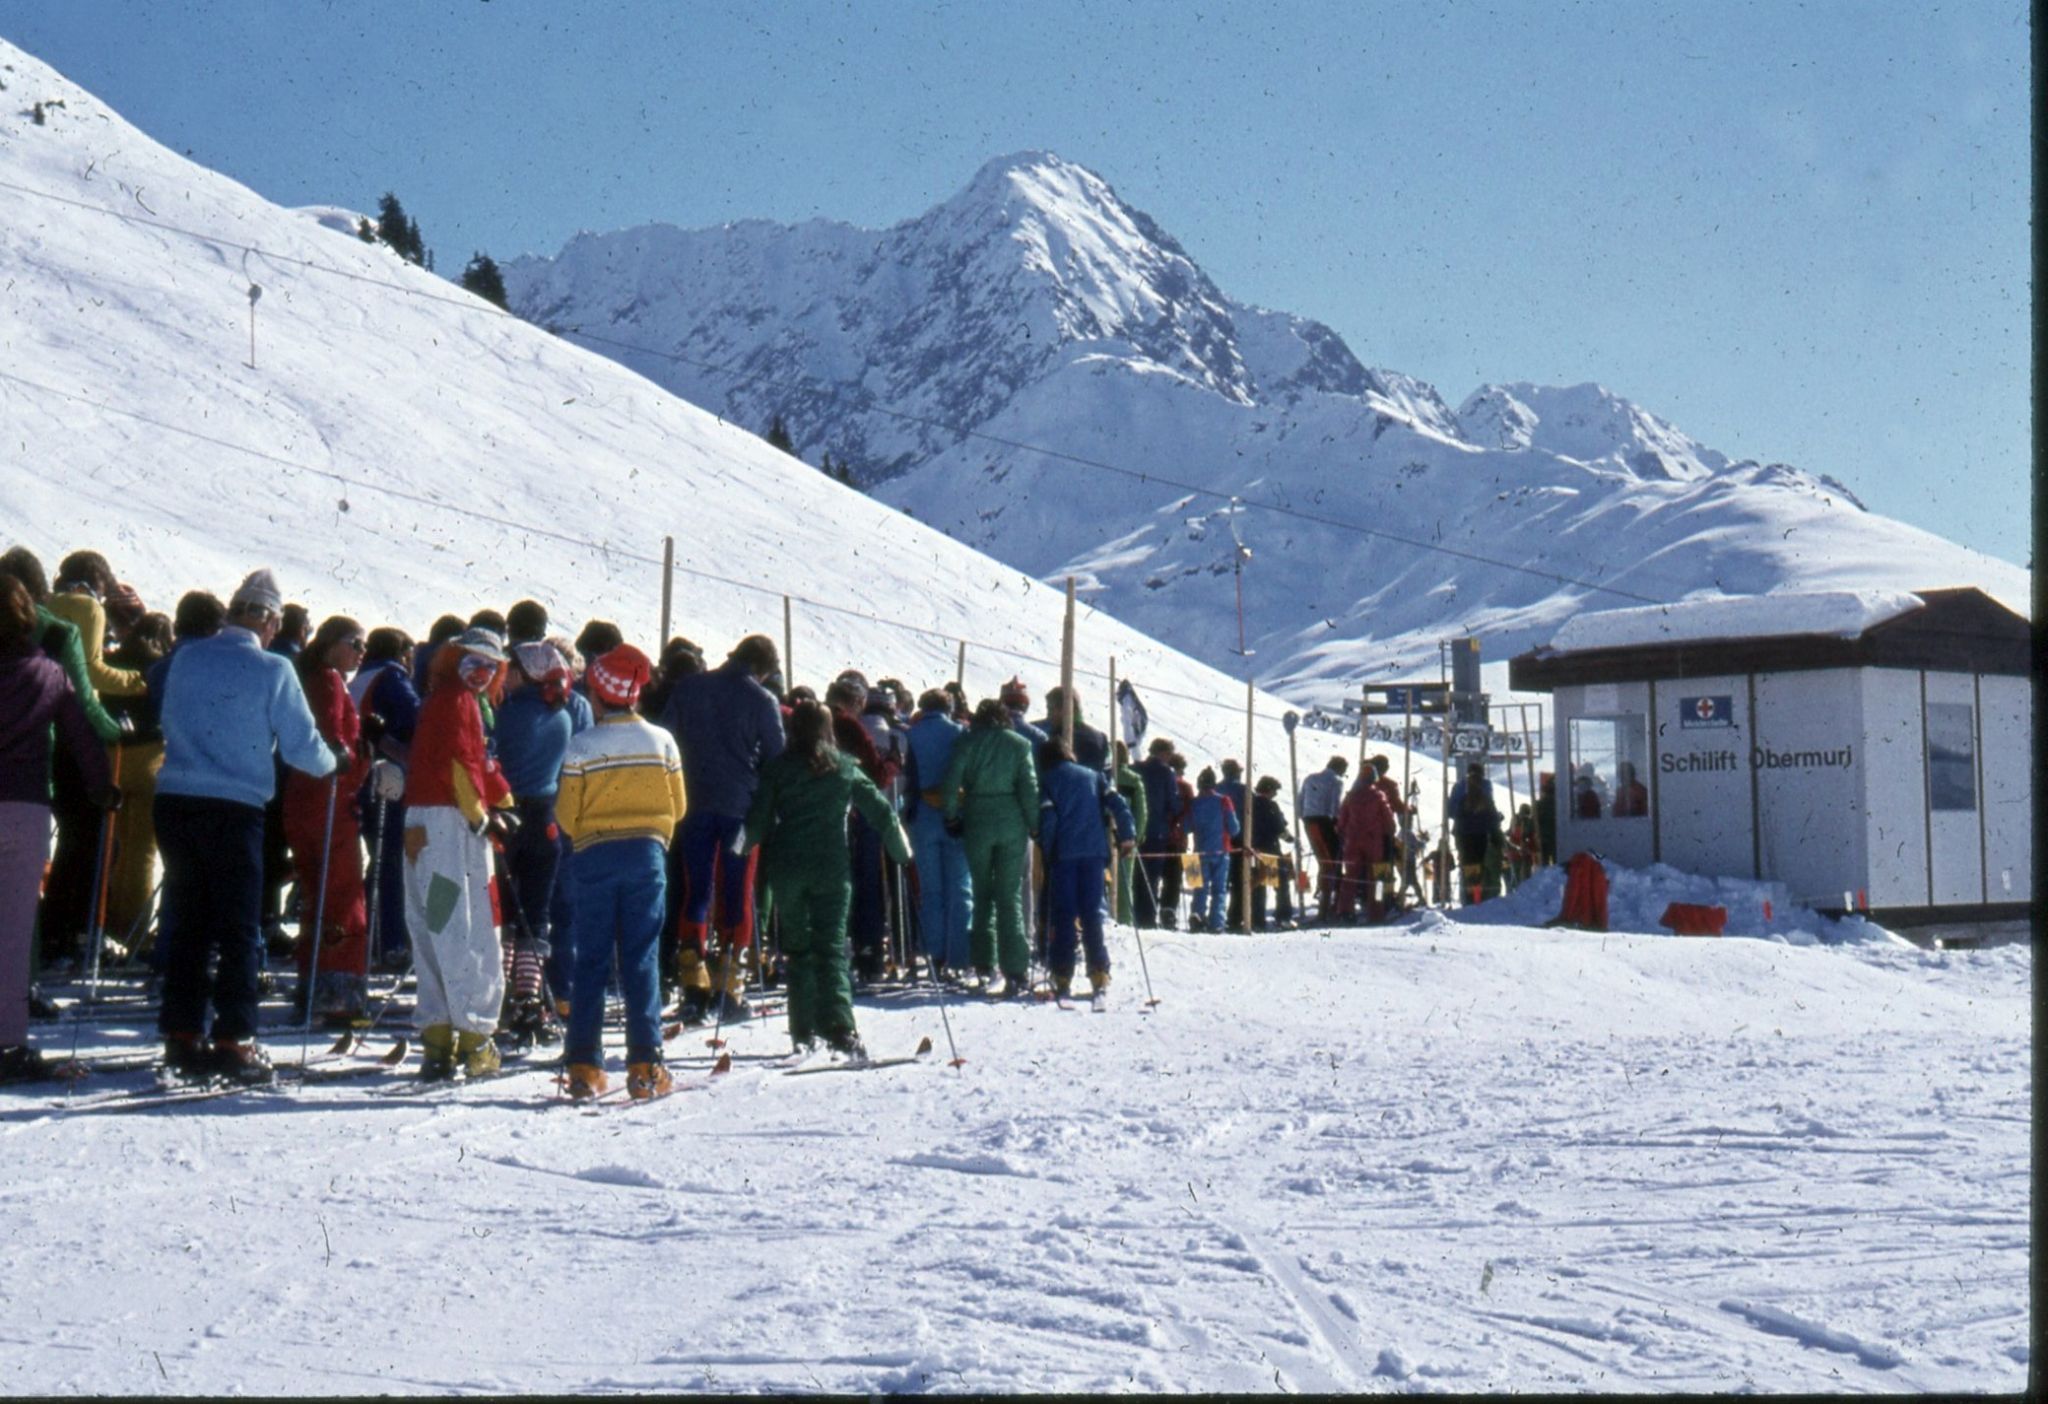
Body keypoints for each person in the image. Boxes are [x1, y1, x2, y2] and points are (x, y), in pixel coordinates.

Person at [154, 569, 337, 1083]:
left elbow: (170, 718)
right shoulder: (273, 669)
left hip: (175, 797)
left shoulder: (188, 656)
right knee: (238, 927)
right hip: (234, 806)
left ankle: (181, 1034)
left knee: (188, 919)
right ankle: (235, 1038)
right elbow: (302, 746)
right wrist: (335, 762)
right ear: (271, 622)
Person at [0, 574, 119, 1081]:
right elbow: (81, 734)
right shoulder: (47, 672)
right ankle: (7, 1040)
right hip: (25, 807)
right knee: (11, 931)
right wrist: (101, 788)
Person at [556, 645, 688, 1101]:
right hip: (647, 857)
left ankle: (583, 1066)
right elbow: (679, 805)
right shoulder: (663, 741)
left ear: (597, 693)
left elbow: (566, 814)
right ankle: (645, 1065)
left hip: (593, 856)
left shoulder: (582, 746)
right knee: (641, 958)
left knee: (590, 959)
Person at [744, 699, 910, 1057]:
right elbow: (881, 811)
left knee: (798, 949)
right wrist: (902, 851)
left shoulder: (778, 770)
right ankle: (839, 1026)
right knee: (831, 947)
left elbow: (756, 822)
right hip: (831, 869)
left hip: (787, 867)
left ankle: (802, 1031)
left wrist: (738, 847)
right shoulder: (845, 767)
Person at [402, 626, 518, 1082]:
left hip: (424, 822)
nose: (480, 673)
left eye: (489, 667)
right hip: (450, 825)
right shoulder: (459, 702)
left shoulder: (447, 700)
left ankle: (438, 1036)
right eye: (472, 663)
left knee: (433, 923)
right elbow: (460, 764)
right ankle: (474, 1036)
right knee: (465, 927)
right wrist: (480, 815)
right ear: (455, 662)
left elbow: (475, 762)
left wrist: (502, 800)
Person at [659, 634, 785, 1023]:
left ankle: (693, 982)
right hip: (741, 813)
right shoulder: (762, 700)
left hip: (692, 804)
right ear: (764, 670)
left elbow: (666, 740)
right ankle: (729, 987)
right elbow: (776, 758)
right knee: (738, 890)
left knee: (696, 889)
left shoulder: (689, 687)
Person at [39, 551, 145, 969]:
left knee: (70, 836)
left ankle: (53, 931)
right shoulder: (88, 608)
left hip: (43, 729)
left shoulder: (43, 605)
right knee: (91, 840)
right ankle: (74, 933)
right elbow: (91, 672)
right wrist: (137, 682)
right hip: (80, 731)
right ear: (98, 582)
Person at [492, 639, 592, 1047]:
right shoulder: (563, 716)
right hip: (546, 820)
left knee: (503, 914)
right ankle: (530, 998)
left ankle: (496, 995)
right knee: (537, 915)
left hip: (506, 817)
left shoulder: (508, 714)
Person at [284, 616, 374, 1026]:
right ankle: (336, 996)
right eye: (355, 643)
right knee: (341, 896)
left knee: (318, 894)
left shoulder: (305, 678)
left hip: (301, 799)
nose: (360, 652)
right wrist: (362, 758)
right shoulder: (329, 681)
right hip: (330, 801)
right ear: (333, 643)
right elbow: (335, 742)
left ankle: (314, 984)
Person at [940, 698, 1038, 995]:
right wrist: (1034, 824)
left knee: (982, 893)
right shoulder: (1020, 745)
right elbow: (1029, 788)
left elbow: (951, 782)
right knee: (1010, 896)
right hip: (1012, 823)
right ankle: (1017, 969)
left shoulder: (968, 742)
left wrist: (951, 815)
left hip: (977, 820)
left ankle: (984, 962)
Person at [1036, 736, 1135, 998]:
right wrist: (1127, 835)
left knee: (1064, 913)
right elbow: (1118, 804)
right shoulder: (1094, 776)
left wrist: (1047, 850)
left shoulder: (1048, 781)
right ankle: (1099, 973)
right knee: (1092, 912)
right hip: (1094, 854)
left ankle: (1062, 974)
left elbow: (1049, 821)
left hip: (1064, 855)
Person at [352, 627, 421, 971]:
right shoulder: (391, 678)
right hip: (388, 780)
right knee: (392, 860)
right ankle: (391, 940)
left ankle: (371, 933)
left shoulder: (361, 678)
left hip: (363, 776)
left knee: (380, 860)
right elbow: (415, 718)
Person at [904, 688, 971, 980]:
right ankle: (960, 956)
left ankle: (935, 955)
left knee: (931, 890)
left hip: (923, 815)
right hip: (954, 815)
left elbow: (910, 778)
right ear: (950, 707)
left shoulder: (913, 735)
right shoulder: (960, 733)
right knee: (960, 887)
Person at [1335, 766, 1395, 923]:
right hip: (1373, 841)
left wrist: (1343, 832)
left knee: (1350, 877)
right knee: (1377, 877)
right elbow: (1388, 820)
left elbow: (1341, 821)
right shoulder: (1378, 795)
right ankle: (1376, 911)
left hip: (1352, 842)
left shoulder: (1351, 796)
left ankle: (1345, 911)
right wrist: (1389, 833)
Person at [1184, 767, 1239, 933]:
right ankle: (1217, 922)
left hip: (1199, 850)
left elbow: (1186, 827)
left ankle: (1197, 914)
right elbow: (1234, 828)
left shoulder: (1193, 803)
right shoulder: (1224, 801)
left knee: (1199, 886)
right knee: (1219, 890)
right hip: (1221, 850)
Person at [1134, 737, 1181, 928]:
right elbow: (1174, 804)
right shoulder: (1166, 772)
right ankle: (1148, 916)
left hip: (1137, 828)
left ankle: (1136, 913)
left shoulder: (1137, 768)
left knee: (1137, 874)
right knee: (1152, 876)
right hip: (1157, 830)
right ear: (1164, 753)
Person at [1298, 755, 1347, 919]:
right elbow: (1335, 806)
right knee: (1332, 863)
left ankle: (1325, 901)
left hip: (1308, 820)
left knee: (1324, 862)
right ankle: (1329, 905)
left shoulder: (1310, 778)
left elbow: (1300, 802)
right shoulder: (1337, 781)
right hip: (1325, 822)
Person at [1249, 776, 1296, 930]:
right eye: (1275, 791)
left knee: (1258, 885)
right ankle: (1283, 917)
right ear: (1269, 790)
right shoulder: (1271, 805)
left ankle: (1257, 919)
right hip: (1271, 849)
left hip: (1254, 850)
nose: (1275, 794)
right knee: (1281, 885)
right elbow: (1280, 828)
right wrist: (1290, 839)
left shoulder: (1250, 803)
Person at [1448, 762, 1498, 905]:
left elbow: (1451, 811)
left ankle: (1468, 897)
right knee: (1481, 864)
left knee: (1467, 864)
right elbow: (1492, 814)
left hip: (1462, 833)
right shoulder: (1486, 787)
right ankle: (1479, 897)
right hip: (1482, 833)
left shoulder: (1459, 787)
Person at [1111, 740, 1149, 927]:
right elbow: (1141, 812)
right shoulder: (1134, 780)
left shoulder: (1103, 776)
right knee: (1125, 883)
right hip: (1127, 838)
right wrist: (1138, 836)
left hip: (1104, 835)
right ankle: (1124, 921)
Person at [1217, 758, 1249, 932]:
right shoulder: (1243, 790)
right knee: (1238, 881)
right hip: (1239, 838)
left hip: (1218, 838)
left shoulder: (1216, 788)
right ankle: (1235, 917)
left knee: (1219, 880)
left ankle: (1216, 915)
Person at [1534, 771, 1557, 867]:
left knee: (1544, 862)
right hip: (1556, 836)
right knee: (1557, 862)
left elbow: (1535, 820)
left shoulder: (1540, 804)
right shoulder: (1558, 803)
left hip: (1544, 836)